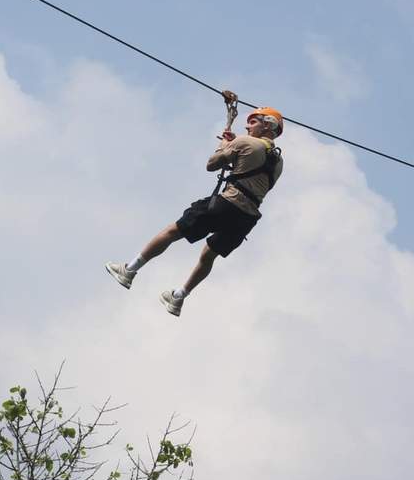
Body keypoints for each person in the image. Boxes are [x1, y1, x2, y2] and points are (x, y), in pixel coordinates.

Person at [106, 90, 284, 316]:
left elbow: (211, 164)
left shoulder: (246, 142)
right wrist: (233, 141)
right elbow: (250, 174)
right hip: (246, 218)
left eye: (252, 121)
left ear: (268, 126)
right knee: (209, 255)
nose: (248, 126)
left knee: (173, 231)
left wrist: (225, 145)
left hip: (227, 203)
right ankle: (178, 297)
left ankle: (129, 271)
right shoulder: (278, 162)